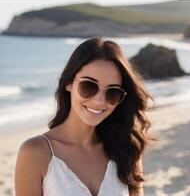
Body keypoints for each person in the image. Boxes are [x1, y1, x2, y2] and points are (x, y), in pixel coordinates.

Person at [15, 37, 153, 196]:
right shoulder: (35, 153)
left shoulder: (126, 151)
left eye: (112, 92)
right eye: (89, 86)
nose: (99, 101)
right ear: (69, 82)